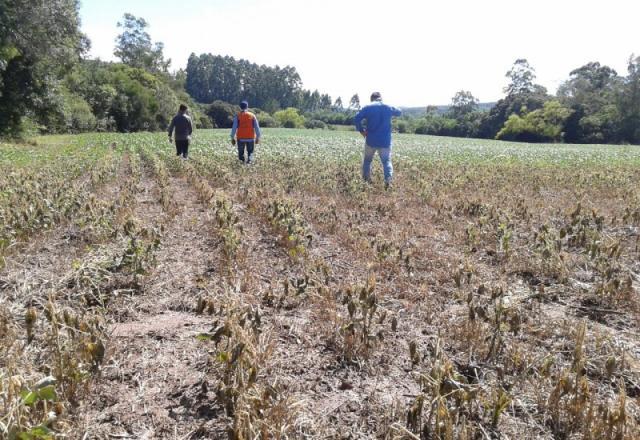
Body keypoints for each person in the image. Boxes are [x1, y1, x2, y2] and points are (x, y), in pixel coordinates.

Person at [354, 92, 402, 188]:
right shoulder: (388, 107)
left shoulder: (368, 107)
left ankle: (366, 181)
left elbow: (356, 118)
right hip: (385, 141)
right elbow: (399, 112)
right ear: (380, 98)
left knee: (367, 160)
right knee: (386, 161)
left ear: (371, 99)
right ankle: (388, 182)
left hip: (371, 140)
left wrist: (362, 131)